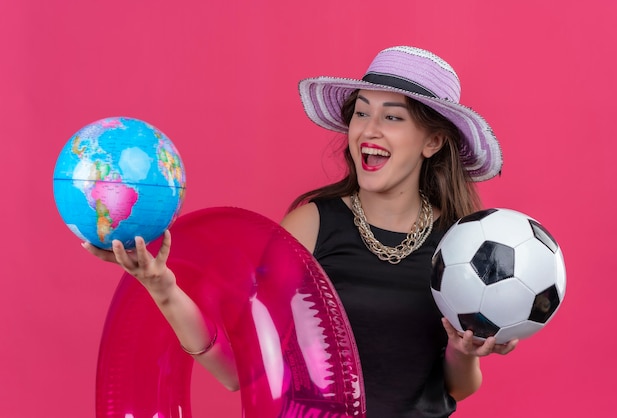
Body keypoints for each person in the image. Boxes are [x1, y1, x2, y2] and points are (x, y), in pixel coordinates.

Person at [84, 46, 518, 417]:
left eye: (392, 117)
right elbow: (239, 369)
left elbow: (456, 388)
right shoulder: (310, 225)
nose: (368, 129)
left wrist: (463, 351)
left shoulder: (461, 246)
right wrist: (163, 288)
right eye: (361, 112)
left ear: (432, 142)